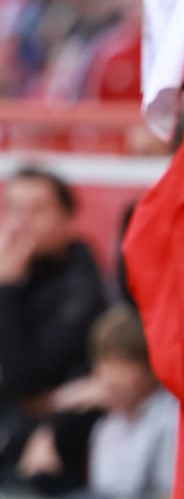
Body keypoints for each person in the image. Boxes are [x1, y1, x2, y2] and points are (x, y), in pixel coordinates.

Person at [0, 166, 108, 494]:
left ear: (67, 216)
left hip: (48, 463)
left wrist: (8, 289)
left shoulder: (82, 288)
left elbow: (26, 377)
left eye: (36, 210)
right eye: (13, 208)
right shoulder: (16, 274)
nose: (21, 222)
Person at [85, 304, 178, 499]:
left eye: (121, 366)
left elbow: (169, 491)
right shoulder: (107, 425)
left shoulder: (170, 420)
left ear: (150, 368)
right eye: (104, 364)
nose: (110, 378)